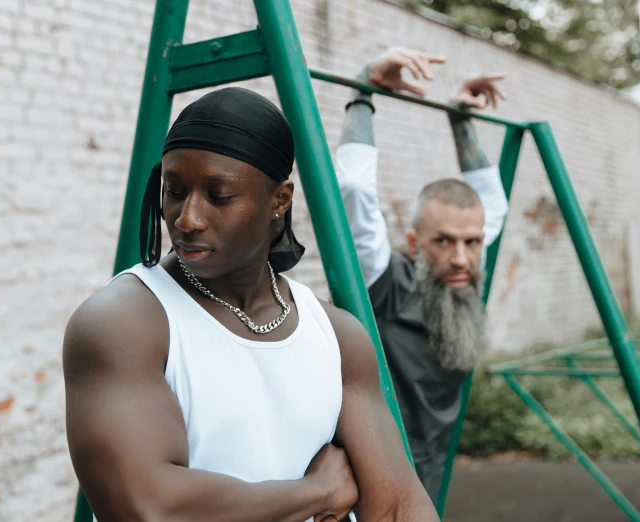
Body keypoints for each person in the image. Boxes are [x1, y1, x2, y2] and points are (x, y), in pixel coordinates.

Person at [63, 87, 439, 522]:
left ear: (279, 201)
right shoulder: (122, 324)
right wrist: (316, 493)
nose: (187, 219)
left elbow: (396, 505)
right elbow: (148, 508)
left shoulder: (336, 334)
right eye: (175, 191)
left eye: (219, 196)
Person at [335, 47, 510, 502]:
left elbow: (493, 203)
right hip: (376, 474)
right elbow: (353, 190)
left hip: (432, 464)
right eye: (443, 241)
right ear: (414, 244)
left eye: (472, 242)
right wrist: (363, 89)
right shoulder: (388, 284)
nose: (460, 258)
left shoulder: (465, 273)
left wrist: (460, 118)